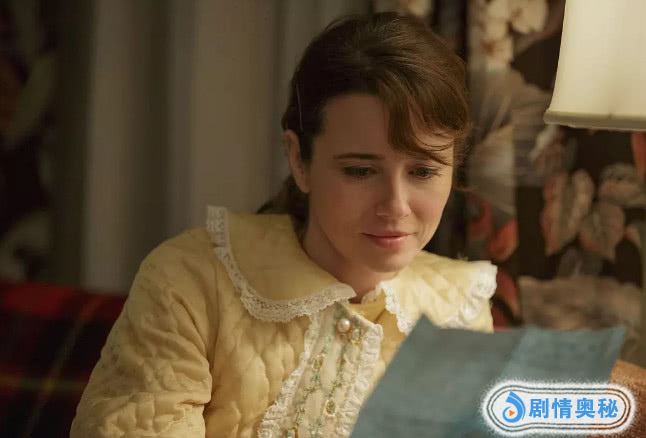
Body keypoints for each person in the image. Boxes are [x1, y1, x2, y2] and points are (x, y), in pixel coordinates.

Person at [71, 12, 496, 437]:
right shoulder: (189, 282)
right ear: (299, 160)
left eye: (423, 171)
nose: (396, 206)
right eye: (360, 171)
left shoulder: (460, 309)